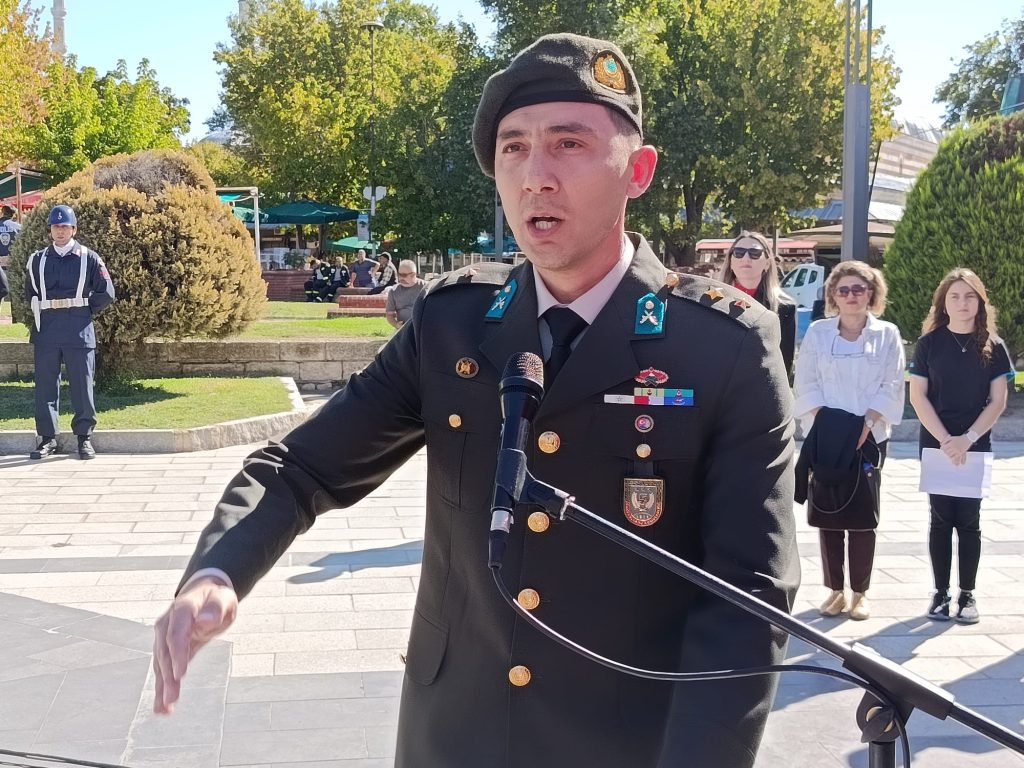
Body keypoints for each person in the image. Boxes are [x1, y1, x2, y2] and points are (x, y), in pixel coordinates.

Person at [152, 34, 798, 768]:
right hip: (454, 735)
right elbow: (301, 467)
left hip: (627, 744)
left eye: (569, 144)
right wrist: (217, 572)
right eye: (514, 149)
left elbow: (749, 596)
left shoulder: (722, 345)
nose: (536, 176)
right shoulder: (453, 322)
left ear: (638, 170)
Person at [793, 260, 904, 620]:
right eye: (844, 290)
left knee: (862, 517)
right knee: (828, 515)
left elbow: (892, 383)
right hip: (826, 434)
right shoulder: (818, 333)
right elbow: (806, 381)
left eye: (859, 289)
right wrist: (828, 423)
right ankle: (835, 590)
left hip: (870, 435)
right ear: (833, 295)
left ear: (871, 293)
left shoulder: (887, 333)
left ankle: (860, 592)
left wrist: (867, 424)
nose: (851, 295)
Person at [909, 268, 1014, 624]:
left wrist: (967, 439)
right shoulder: (929, 344)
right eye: (954, 296)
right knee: (940, 519)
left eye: (969, 296)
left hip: (975, 444)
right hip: (936, 444)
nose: (962, 303)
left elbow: (998, 401)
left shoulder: (994, 346)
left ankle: (967, 595)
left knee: (969, 521)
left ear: (980, 302)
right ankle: (940, 594)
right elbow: (918, 397)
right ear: (943, 302)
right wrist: (946, 441)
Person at [25, 204, 116, 460]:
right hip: (47, 329)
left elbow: (107, 292)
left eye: (65, 226)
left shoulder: (89, 257)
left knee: (81, 386)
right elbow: (30, 293)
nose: (60, 231)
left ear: (74, 229)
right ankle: (47, 439)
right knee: (45, 387)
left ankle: (84, 438)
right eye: (56, 226)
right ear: (50, 230)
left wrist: (84, 311)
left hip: (78, 328)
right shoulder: (37, 259)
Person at [718, 230, 796, 376]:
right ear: (730, 261)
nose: (746, 258)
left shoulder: (784, 308)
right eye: (739, 252)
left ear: (767, 263)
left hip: (760, 385)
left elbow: (784, 365)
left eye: (754, 253)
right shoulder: (711, 301)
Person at [384, 259, 426, 329]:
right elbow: (389, 314)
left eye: (404, 275)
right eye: (399, 274)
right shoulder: (394, 291)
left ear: (413, 275)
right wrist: (396, 324)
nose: (401, 278)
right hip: (404, 329)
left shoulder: (426, 288)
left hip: (424, 328)